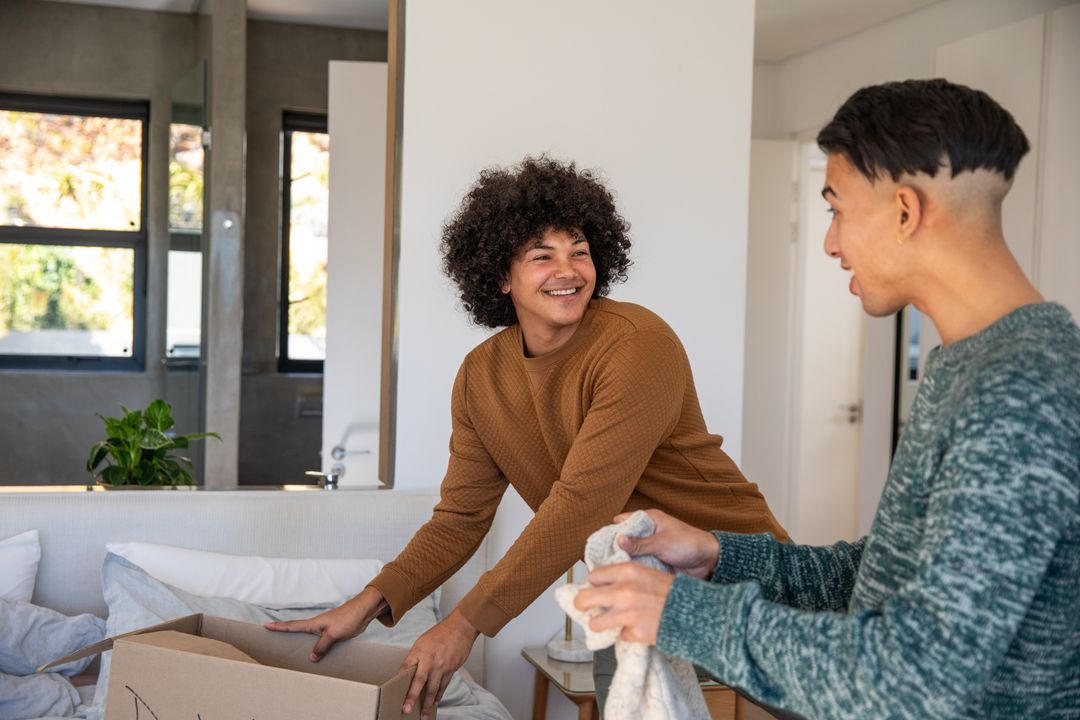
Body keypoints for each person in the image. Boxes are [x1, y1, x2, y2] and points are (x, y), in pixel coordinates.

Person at [573, 78, 1080, 719]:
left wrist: (681, 615)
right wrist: (722, 556)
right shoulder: (969, 365)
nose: (830, 242)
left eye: (836, 208)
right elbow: (885, 580)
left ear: (905, 211)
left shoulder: (1020, 392)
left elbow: (919, 673)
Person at [267, 156, 787, 719]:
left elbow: (582, 505)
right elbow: (461, 519)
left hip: (741, 579)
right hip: (632, 595)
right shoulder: (480, 377)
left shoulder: (638, 344)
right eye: (542, 256)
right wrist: (368, 603)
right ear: (501, 275)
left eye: (579, 251)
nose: (568, 269)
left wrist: (464, 625)